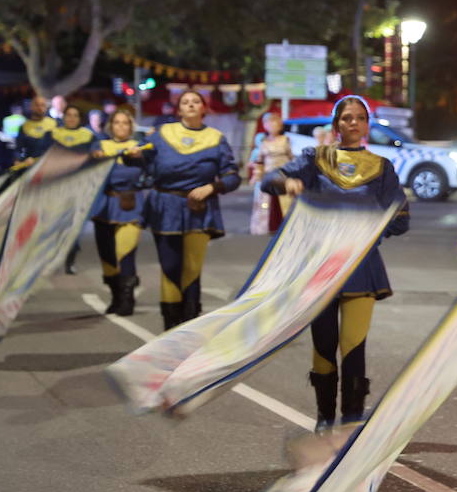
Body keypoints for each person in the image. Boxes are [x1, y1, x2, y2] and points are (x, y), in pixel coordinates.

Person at [264, 95, 409, 431]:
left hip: (362, 269)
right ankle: (325, 419)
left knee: (353, 347)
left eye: (359, 117)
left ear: (367, 125)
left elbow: (401, 220)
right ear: (336, 125)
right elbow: (268, 181)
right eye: (346, 118)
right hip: (322, 269)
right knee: (324, 346)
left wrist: (372, 222)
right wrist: (287, 182)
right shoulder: (316, 159)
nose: (353, 123)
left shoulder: (382, 167)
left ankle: (349, 422)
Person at [132, 90, 240, 331]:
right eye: (185, 102)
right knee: (170, 267)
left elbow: (233, 176)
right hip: (166, 207)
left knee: (192, 267)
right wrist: (133, 155)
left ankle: (188, 325)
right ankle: (169, 326)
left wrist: (211, 187)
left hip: (199, 208)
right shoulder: (162, 134)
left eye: (195, 102)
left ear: (204, 108)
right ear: (178, 110)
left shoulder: (216, 138)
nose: (190, 105)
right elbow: (140, 158)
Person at [90, 107, 148, 316]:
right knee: (107, 258)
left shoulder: (139, 147)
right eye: (117, 122)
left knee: (126, 253)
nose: (121, 126)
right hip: (104, 205)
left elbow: (150, 167)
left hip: (130, 205)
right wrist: (96, 158)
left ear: (131, 126)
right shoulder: (100, 146)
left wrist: (140, 156)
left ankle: (127, 299)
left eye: (125, 123)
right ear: (110, 126)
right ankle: (115, 297)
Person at [51, 103, 99, 274]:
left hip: (79, 188)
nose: (71, 118)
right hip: (56, 187)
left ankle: (70, 259)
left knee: (74, 226)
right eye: (68, 115)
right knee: (56, 224)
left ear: (80, 118)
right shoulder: (53, 134)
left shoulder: (88, 136)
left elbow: (96, 156)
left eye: (75, 115)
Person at [248, 113, 294, 235]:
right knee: (265, 203)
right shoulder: (264, 143)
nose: (271, 125)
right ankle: (266, 227)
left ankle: (286, 225)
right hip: (267, 177)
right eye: (268, 123)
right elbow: (259, 161)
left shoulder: (285, 140)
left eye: (274, 122)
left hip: (283, 175)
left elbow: (291, 158)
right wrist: (257, 176)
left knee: (285, 201)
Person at [13, 95, 56, 168]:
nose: (40, 108)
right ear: (31, 107)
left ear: (46, 107)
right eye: (37, 105)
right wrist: (18, 160)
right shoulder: (24, 127)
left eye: (43, 105)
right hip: (30, 167)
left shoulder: (54, 124)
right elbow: (18, 149)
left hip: (50, 166)